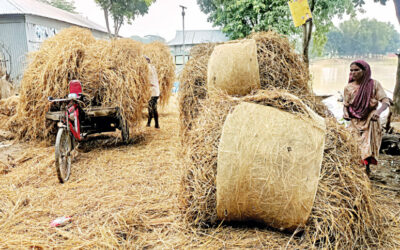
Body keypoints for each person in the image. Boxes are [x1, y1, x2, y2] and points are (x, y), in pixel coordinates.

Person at [343, 60, 390, 175]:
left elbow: (385, 101)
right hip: (355, 120)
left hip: (370, 118)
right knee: (353, 143)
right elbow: (345, 105)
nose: (353, 73)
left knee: (367, 145)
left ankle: (366, 168)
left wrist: (378, 112)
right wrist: (345, 113)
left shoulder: (374, 85)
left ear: (365, 71)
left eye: (356, 70)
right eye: (351, 70)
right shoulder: (348, 88)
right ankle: (356, 169)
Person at [145, 56, 160, 129]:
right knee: (151, 107)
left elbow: (147, 80)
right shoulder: (153, 67)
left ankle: (156, 124)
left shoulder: (148, 68)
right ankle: (149, 123)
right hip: (155, 91)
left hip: (153, 91)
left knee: (152, 108)